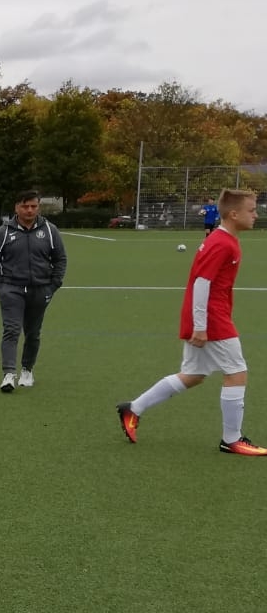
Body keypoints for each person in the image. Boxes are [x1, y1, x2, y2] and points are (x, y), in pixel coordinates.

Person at [117, 188, 266, 455]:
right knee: (237, 372)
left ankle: (134, 408)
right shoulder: (222, 243)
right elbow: (201, 283)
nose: (256, 214)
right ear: (234, 214)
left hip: (208, 316)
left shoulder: (226, 239)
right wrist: (200, 325)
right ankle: (232, 440)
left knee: (194, 375)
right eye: (251, 210)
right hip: (212, 318)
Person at [0, 191, 67, 393]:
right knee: (12, 330)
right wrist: (0, 286)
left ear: (38, 207)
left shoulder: (49, 230)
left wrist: (53, 285)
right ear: (16, 208)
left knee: (33, 333)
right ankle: (8, 374)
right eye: (25, 206)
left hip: (40, 290)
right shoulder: (4, 232)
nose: (29, 210)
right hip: (11, 289)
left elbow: (60, 259)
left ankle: (27, 370)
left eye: (33, 206)